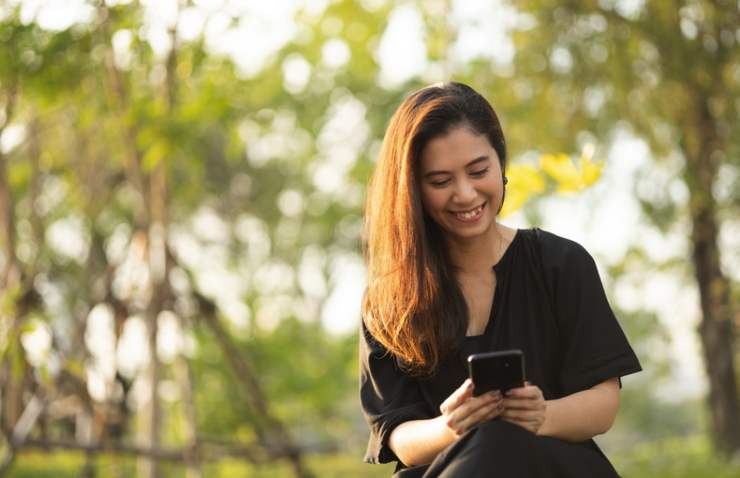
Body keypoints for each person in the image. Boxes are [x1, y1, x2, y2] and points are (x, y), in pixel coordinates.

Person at [359, 82, 642, 477]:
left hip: (553, 464)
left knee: (498, 439)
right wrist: (454, 426)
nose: (465, 194)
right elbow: (396, 436)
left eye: (479, 171)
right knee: (488, 441)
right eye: (440, 182)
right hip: (447, 466)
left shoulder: (560, 263)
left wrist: (538, 414)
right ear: (413, 191)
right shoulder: (390, 300)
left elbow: (602, 404)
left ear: (501, 163)